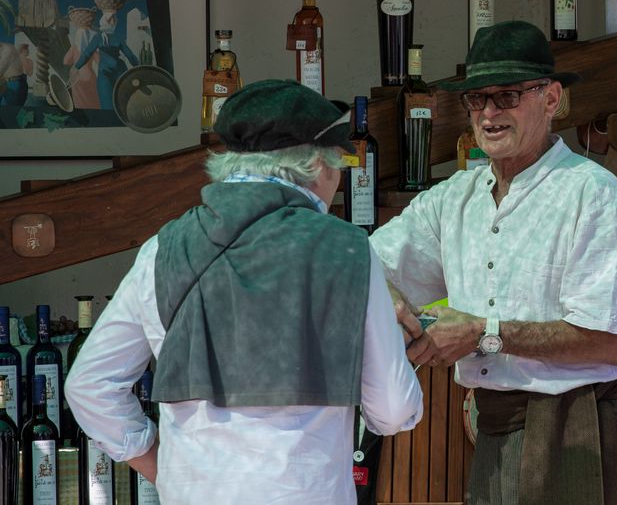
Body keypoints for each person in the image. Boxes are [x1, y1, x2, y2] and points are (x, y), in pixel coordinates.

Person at [66, 79, 423, 504]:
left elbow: (89, 386)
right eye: (341, 160)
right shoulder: (347, 249)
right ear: (315, 163)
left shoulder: (163, 248)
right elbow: (393, 408)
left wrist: (161, 465)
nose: (341, 176)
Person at [370, 20, 617, 505]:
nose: (490, 113)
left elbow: (610, 342)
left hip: (573, 419)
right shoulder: (455, 199)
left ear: (552, 98)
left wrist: (483, 331)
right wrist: (390, 299)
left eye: (508, 96)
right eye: (477, 99)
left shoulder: (593, 194)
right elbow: (366, 264)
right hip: (492, 417)